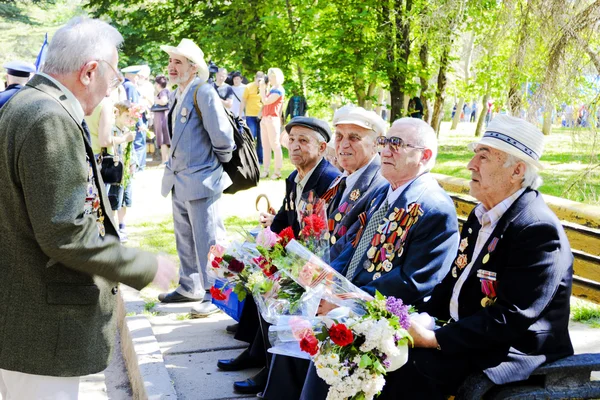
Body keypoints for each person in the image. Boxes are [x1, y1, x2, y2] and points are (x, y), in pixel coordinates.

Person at [0, 17, 175, 399]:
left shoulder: (25, 104)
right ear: (89, 70)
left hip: (23, 322)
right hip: (42, 330)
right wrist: (143, 265)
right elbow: (64, 231)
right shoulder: (49, 117)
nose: (112, 89)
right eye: (112, 77)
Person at [379, 115, 574, 399]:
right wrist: (424, 318)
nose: (471, 165)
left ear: (517, 170)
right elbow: (453, 282)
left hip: (515, 351)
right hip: (473, 335)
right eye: (475, 156)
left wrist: (436, 339)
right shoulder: (482, 213)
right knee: (379, 352)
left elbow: (511, 317)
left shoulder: (536, 228)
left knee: (408, 370)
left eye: (484, 157)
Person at [220, 117, 341, 396]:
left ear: (322, 148)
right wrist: (262, 248)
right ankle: (256, 351)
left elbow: (320, 236)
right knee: (256, 271)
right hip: (297, 255)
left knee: (277, 286)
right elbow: (285, 221)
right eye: (291, 139)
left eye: (303, 140)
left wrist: (284, 262)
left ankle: (268, 366)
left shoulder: (328, 180)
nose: (294, 146)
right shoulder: (294, 177)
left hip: (318, 263)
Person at [157, 39, 235, 319]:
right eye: (170, 61)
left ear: (193, 67)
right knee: (186, 238)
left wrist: (211, 167)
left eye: (178, 62)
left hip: (202, 179)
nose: (171, 67)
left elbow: (223, 139)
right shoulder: (181, 92)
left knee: (209, 240)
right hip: (180, 179)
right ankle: (190, 285)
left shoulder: (203, 92)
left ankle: (215, 294)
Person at [322, 105, 388, 250]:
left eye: (354, 137)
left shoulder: (381, 186)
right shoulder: (341, 179)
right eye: (339, 136)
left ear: (375, 144)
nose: (343, 145)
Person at [259, 67, 285, 179]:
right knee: (265, 146)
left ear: (275, 76)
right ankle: (266, 169)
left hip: (272, 119)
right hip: (265, 118)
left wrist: (261, 88)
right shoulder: (272, 88)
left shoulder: (279, 90)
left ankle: (277, 171)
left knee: (275, 145)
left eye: (270, 75)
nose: (268, 78)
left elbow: (266, 101)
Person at [121, 65, 148, 171]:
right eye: (136, 76)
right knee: (139, 143)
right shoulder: (130, 86)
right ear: (131, 76)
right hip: (134, 119)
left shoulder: (124, 84)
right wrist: (140, 123)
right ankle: (139, 166)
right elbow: (134, 106)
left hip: (126, 118)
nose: (137, 78)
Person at [241, 71, 264, 164]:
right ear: (255, 79)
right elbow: (243, 101)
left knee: (261, 139)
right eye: (258, 80)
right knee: (251, 137)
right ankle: (250, 158)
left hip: (262, 116)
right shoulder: (248, 87)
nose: (259, 83)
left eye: (261, 81)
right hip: (250, 116)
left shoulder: (265, 88)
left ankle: (261, 160)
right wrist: (240, 115)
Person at [153, 75, 171, 164]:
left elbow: (164, 101)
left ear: (158, 84)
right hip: (163, 116)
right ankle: (166, 160)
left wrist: (156, 99)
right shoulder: (166, 91)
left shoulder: (163, 92)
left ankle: (165, 160)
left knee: (163, 139)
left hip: (162, 117)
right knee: (164, 139)